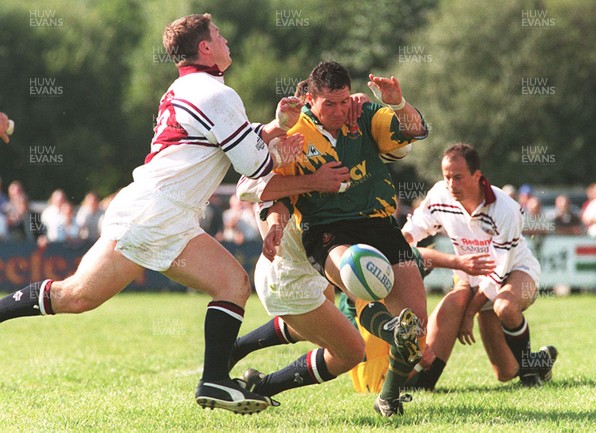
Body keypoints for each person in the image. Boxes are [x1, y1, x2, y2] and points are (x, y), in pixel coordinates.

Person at [0, 13, 303, 415]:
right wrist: (285, 152)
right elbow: (252, 165)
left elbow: (229, 144)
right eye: (219, 35)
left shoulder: (192, 87)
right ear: (205, 47)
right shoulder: (216, 94)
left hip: (161, 211)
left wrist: (274, 128)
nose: (226, 39)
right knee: (76, 296)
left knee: (230, 282)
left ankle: (214, 380)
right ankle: (214, 379)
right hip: (157, 212)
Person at [239, 61, 429, 417]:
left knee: (416, 328)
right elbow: (251, 187)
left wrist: (399, 104)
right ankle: (386, 327)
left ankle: (388, 397)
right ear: (310, 99)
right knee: (358, 270)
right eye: (330, 104)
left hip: (379, 224)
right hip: (327, 231)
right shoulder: (292, 131)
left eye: (344, 102)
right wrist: (308, 187)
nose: (340, 111)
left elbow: (414, 132)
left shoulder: (365, 114)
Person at [402, 143, 557, 390]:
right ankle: (541, 360)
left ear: (477, 176)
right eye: (447, 177)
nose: (451, 184)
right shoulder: (439, 195)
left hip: (514, 272)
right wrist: (390, 252)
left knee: (504, 306)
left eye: (458, 177)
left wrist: (471, 313)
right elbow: (411, 233)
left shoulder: (505, 208)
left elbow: (498, 272)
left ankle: (529, 374)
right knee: (505, 372)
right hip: (470, 274)